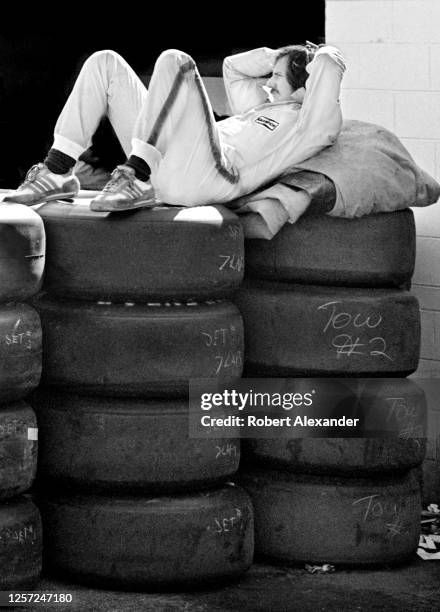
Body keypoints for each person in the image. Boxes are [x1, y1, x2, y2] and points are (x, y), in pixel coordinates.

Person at [4, 43, 346, 212]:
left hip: (210, 179)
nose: (267, 83)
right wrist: (278, 58)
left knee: (176, 61)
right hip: (173, 166)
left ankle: (135, 176)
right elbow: (234, 68)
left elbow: (330, 63)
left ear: (305, 84)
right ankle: (59, 169)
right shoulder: (259, 108)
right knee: (104, 62)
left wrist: (311, 56)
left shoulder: (310, 124)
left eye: (276, 77)